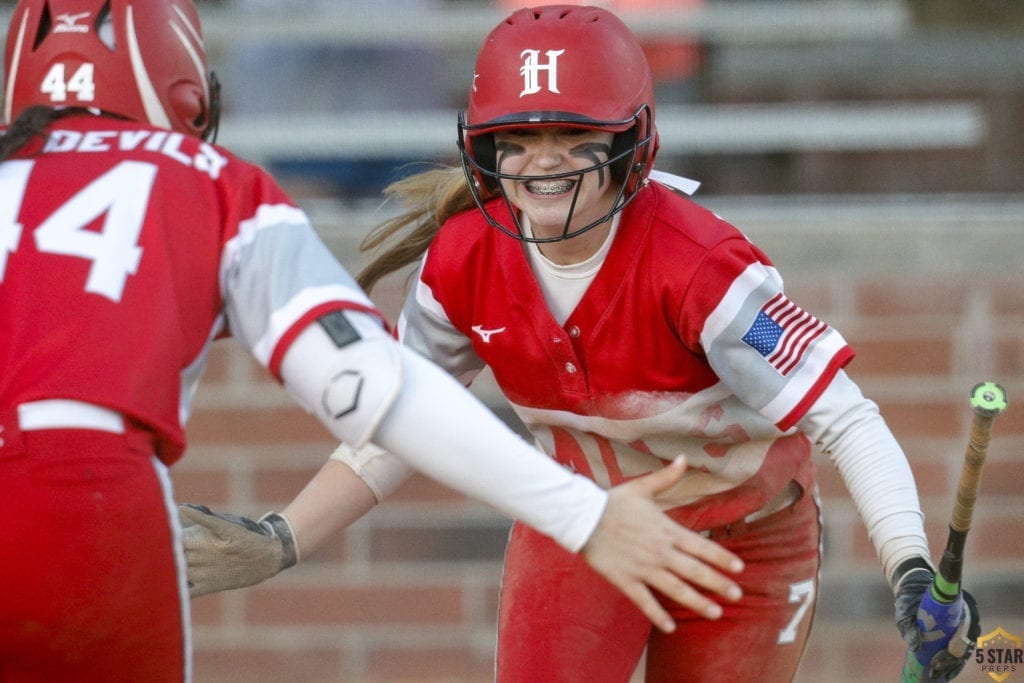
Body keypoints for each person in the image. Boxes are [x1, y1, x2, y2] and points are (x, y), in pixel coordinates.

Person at [180, 5, 981, 682]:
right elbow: (394, 424)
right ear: (485, 148)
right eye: (518, 137)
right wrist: (284, 537)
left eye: (573, 133)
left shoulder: (702, 269)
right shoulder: (462, 262)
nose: (543, 161)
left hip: (746, 542)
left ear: (630, 143)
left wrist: (908, 565)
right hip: (586, 526)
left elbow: (846, 418)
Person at [0, 1, 746, 681]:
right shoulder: (216, 184)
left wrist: (286, 532)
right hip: (86, 502)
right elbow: (373, 388)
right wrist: (580, 513)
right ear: (186, 93)